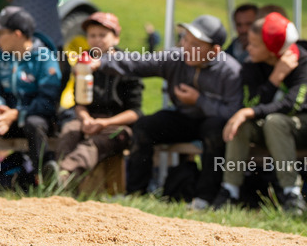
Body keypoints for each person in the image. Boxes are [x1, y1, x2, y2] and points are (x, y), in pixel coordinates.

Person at [92, 14, 242, 208]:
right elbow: (138, 63)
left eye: (195, 45)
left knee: (215, 131)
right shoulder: (176, 57)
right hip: (182, 119)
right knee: (145, 127)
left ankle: (204, 198)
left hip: (212, 122)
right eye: (185, 39)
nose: (186, 47)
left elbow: (232, 112)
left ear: (214, 50)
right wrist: (101, 63)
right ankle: (135, 193)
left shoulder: (230, 71)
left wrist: (198, 100)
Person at [216, 13, 307, 213]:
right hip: (268, 128)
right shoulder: (252, 64)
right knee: (241, 123)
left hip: (300, 127)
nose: (248, 48)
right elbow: (250, 102)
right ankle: (229, 191)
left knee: (275, 121)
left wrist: (250, 110)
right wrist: (275, 79)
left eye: (255, 45)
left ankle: (292, 193)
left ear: (273, 51)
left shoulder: (302, 61)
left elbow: (291, 105)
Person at [0, 7, 63, 182]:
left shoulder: (45, 58)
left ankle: (40, 180)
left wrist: (16, 114)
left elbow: (47, 102)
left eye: (1, 33)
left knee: (35, 124)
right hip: (3, 119)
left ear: (17, 34)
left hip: (31, 118)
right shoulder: (0, 56)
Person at [55, 12, 142, 188]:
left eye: (102, 35)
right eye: (92, 35)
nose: (97, 40)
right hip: (88, 118)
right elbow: (78, 102)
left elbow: (135, 112)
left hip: (117, 125)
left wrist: (104, 123)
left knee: (94, 143)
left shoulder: (127, 65)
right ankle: (61, 178)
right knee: (69, 131)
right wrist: (86, 119)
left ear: (116, 38)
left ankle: (62, 176)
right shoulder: (83, 62)